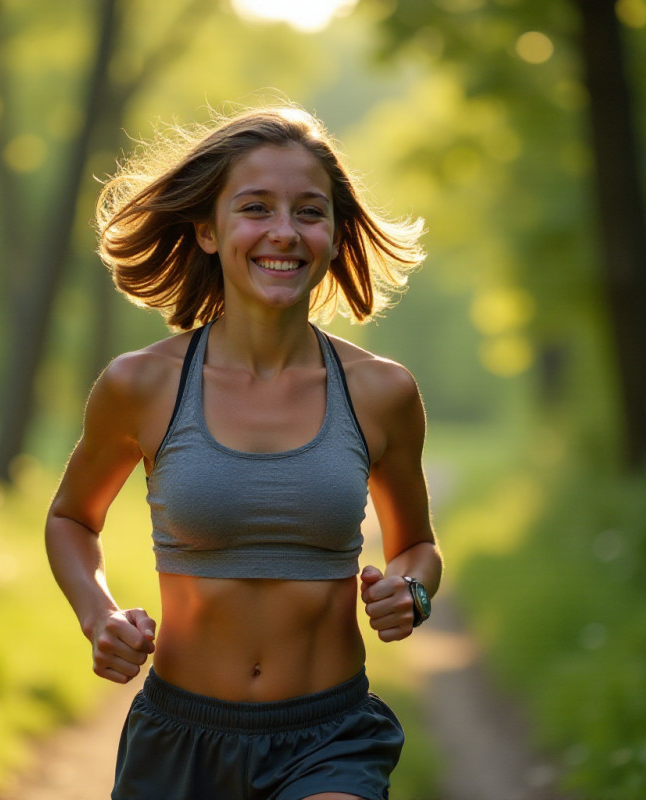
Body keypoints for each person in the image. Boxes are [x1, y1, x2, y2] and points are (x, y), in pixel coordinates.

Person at [45, 104, 442, 800]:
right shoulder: (142, 385)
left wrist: (411, 592)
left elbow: (418, 547)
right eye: (256, 207)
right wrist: (97, 613)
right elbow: (72, 519)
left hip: (329, 737)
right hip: (179, 739)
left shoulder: (381, 392)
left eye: (310, 212)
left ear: (334, 232)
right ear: (208, 228)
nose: (284, 233)